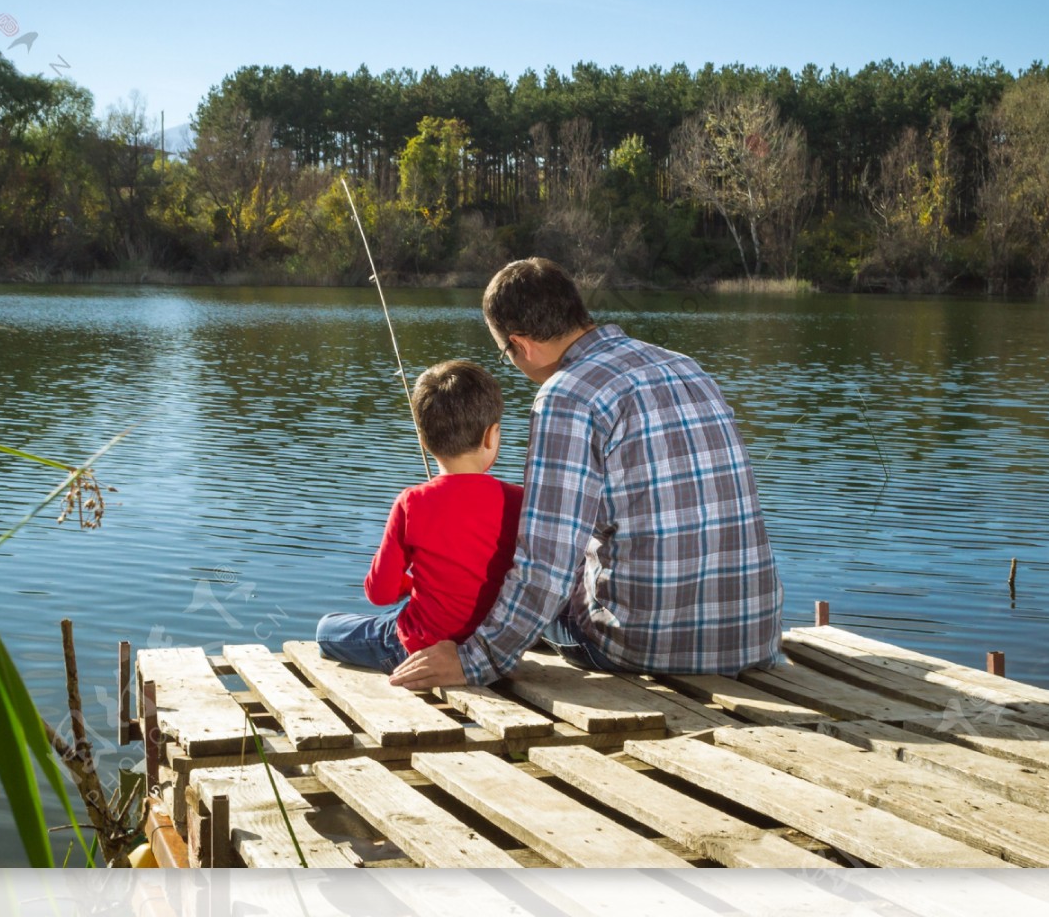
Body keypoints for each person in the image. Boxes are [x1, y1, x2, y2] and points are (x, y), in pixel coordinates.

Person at [389, 257, 783, 689]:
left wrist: (475, 660)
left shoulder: (566, 395)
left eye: (507, 355)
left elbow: (545, 564)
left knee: (487, 598)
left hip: (641, 646)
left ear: (522, 345)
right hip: (752, 637)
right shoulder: (686, 366)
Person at [315, 360, 524, 673]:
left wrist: (409, 583)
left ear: (424, 441)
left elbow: (380, 592)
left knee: (327, 629)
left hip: (417, 649)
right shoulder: (520, 500)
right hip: (491, 647)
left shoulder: (412, 502)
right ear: (492, 436)